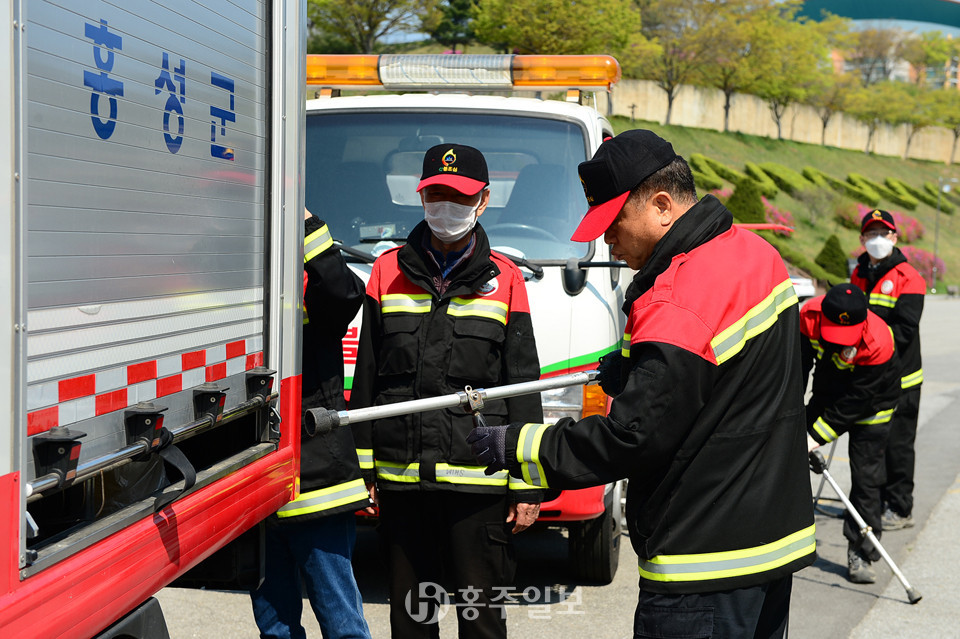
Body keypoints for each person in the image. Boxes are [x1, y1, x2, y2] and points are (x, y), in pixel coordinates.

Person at [468, 129, 815, 638]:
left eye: (613, 223)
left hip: (702, 561)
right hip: (768, 543)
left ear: (661, 205)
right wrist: (640, 370)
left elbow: (631, 438)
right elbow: (738, 380)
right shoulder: (755, 254)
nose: (607, 240)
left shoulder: (676, 298)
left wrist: (520, 444)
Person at [350, 144, 543, 639]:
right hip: (401, 482)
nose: (444, 206)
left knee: (482, 622)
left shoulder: (507, 278)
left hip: (478, 483)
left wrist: (527, 485)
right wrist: (363, 473)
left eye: (457, 197)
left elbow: (523, 386)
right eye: (434, 194)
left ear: (482, 201)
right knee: (411, 622)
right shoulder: (385, 271)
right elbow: (368, 380)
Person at [249, 209, 372, 639]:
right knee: (275, 626)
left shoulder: (317, 282)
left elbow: (341, 295)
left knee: (342, 623)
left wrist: (306, 223)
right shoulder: (240, 275)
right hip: (255, 485)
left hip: (316, 485)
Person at [799, 283, 901, 584]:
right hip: (829, 390)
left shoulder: (878, 338)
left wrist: (814, 437)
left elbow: (858, 400)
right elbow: (797, 371)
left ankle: (862, 552)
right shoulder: (807, 316)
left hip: (872, 405)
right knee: (784, 453)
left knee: (866, 480)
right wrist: (794, 421)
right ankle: (784, 531)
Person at [850, 209, 925, 531]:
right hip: (869, 376)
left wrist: (864, 341)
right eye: (871, 234)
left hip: (902, 378)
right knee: (871, 443)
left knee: (897, 445)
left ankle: (900, 506)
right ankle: (872, 504)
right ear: (862, 239)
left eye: (884, 234)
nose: (877, 240)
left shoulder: (910, 278)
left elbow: (905, 330)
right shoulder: (859, 273)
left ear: (895, 237)